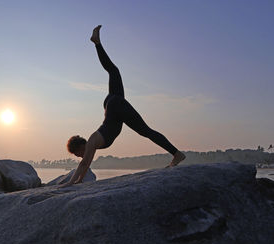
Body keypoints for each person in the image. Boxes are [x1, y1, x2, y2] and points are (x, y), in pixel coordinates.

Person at [60, 25, 185, 188]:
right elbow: (85, 164)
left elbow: (84, 164)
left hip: (114, 106)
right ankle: (97, 42)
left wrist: (69, 183)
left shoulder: (91, 141)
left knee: (145, 131)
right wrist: (78, 181)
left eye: (77, 153)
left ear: (80, 146)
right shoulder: (93, 142)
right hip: (113, 104)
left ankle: (177, 154)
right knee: (113, 71)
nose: (79, 156)